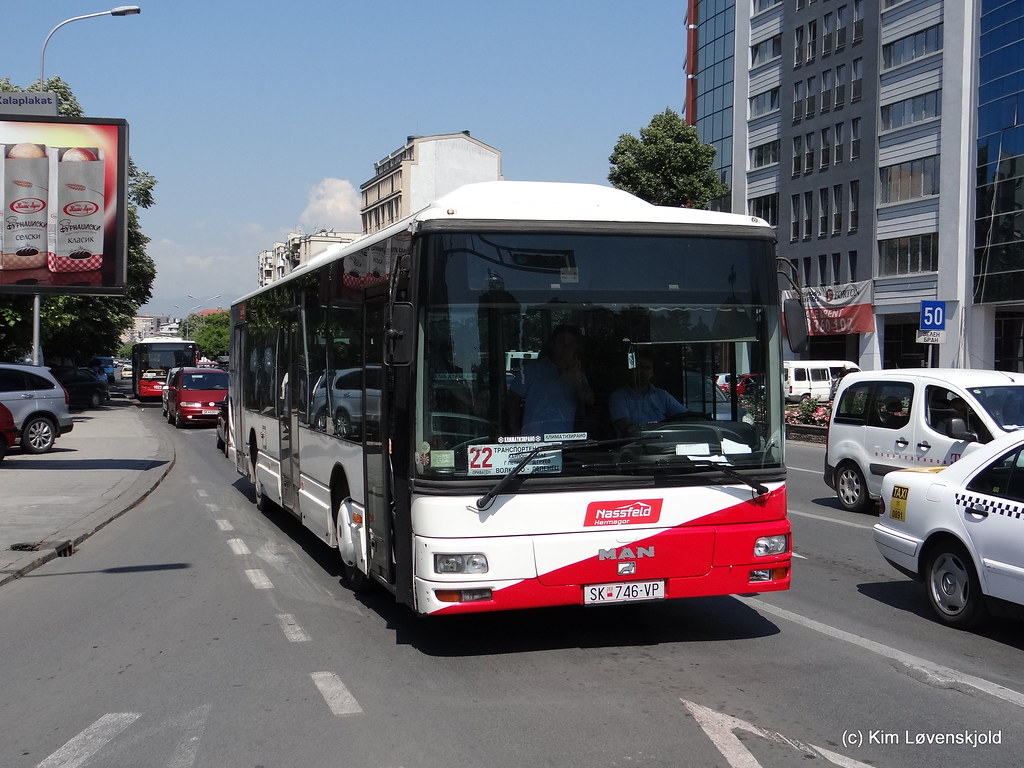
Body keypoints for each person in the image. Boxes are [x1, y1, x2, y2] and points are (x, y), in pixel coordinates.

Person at [506, 325, 594, 436]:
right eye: (561, 343)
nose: (565, 348)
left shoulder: (578, 372)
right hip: (534, 441)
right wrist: (514, 430)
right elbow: (514, 399)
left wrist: (575, 379)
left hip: (567, 441)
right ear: (552, 345)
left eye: (570, 344)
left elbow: (590, 400)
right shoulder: (532, 369)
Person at [609, 355, 687, 436]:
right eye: (639, 367)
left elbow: (685, 416)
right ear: (630, 371)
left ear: (652, 373)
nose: (643, 372)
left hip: (664, 442)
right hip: (633, 445)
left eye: (647, 368)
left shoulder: (662, 395)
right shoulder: (619, 397)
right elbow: (627, 429)